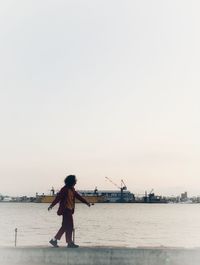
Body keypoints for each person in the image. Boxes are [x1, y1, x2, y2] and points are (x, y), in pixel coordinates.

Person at [48, 175, 90, 248]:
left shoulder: (72, 189)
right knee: (70, 226)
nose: (76, 182)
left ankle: (54, 240)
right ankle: (69, 243)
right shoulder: (64, 189)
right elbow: (58, 198)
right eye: (75, 181)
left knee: (64, 226)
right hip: (65, 210)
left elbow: (78, 197)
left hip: (70, 210)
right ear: (71, 181)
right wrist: (51, 205)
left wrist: (86, 202)